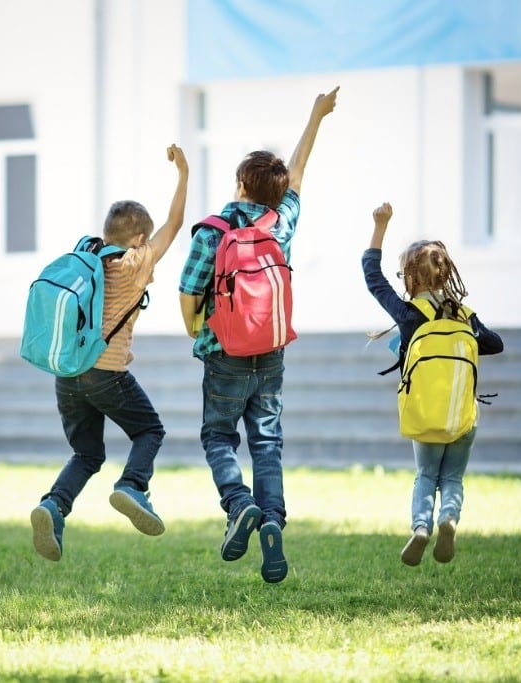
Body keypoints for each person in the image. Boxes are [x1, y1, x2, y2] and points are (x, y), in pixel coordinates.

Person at [178, 87, 339, 583]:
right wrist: (316, 115)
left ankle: (239, 503)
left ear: (240, 185)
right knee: (266, 442)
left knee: (217, 436)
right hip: (269, 352)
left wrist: (196, 331)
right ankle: (271, 521)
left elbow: (189, 291)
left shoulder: (213, 229)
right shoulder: (281, 223)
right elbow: (300, 170)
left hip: (223, 351)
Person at [30, 144, 189, 562]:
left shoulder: (88, 256)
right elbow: (175, 223)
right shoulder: (135, 262)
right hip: (107, 373)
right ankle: (133, 486)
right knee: (150, 431)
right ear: (138, 238)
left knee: (86, 453)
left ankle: (53, 506)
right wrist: (184, 174)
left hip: (68, 373)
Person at [362, 202, 504, 566]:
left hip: (425, 415)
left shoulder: (411, 315)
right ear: (446, 275)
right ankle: (449, 519)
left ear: (410, 278)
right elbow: (494, 344)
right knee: (452, 478)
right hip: (462, 416)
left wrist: (380, 226)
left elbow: (371, 276)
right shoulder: (465, 315)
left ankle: (421, 527)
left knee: (426, 475)